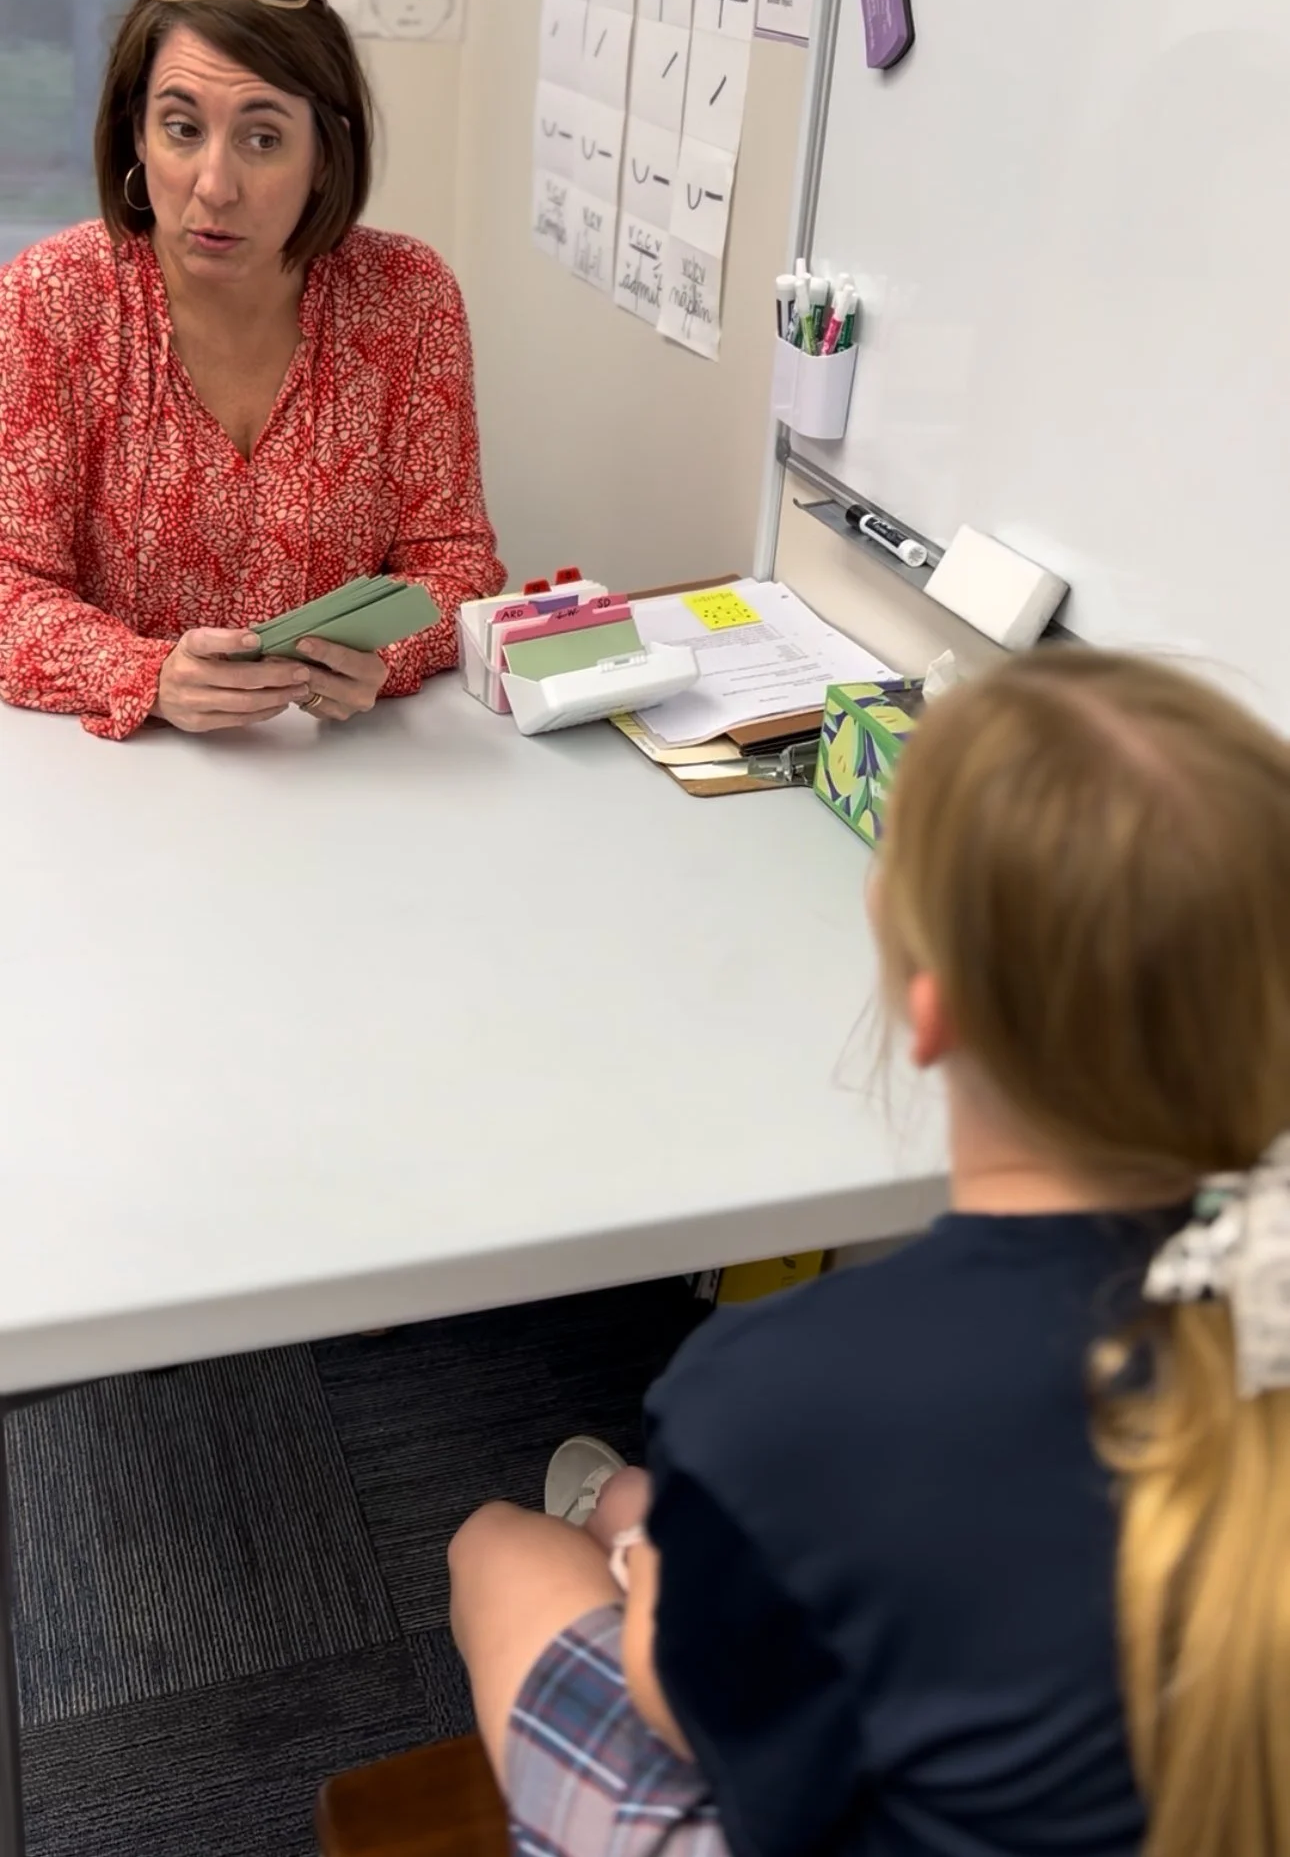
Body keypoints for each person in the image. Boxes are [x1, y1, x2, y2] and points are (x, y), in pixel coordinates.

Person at [449, 645, 1290, 1857]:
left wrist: (646, 1578)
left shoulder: (778, 1390)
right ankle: (653, 1518)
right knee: (664, 1498)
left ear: (932, 1012)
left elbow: (684, 1712)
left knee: (500, 1549)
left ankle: (643, 1531)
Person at [0, 0, 504, 738]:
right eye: (181, 128)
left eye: (263, 139)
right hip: (116, 785)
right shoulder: (51, 299)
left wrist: (389, 654)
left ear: (324, 154)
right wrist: (146, 675)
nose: (214, 184)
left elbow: (457, 564)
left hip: (346, 770)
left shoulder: (408, 297)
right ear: (136, 133)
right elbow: (9, 588)